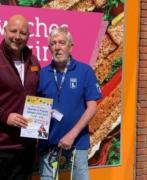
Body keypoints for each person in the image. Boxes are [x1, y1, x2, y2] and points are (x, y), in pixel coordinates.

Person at [38, 26, 102, 180]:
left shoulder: (85, 71)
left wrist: (72, 135)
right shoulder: (42, 74)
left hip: (77, 141)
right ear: (49, 48)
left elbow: (92, 107)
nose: (57, 47)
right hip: (48, 143)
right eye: (53, 44)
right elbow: (36, 105)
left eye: (62, 42)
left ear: (70, 46)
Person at [0, 14, 40, 179]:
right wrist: (5, 116)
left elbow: (37, 94)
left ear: (28, 37)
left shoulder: (34, 61)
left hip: (26, 147)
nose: (17, 36)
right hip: (2, 146)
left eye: (23, 33)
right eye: (13, 31)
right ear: (4, 31)